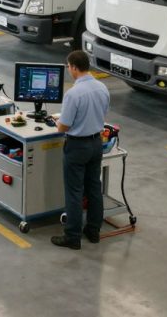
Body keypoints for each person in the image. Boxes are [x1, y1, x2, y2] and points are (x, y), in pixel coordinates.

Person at [52, 50, 110, 250]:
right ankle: (93, 231)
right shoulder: (102, 87)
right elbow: (102, 114)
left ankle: (73, 236)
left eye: (68, 67)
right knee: (94, 187)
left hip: (77, 146)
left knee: (74, 191)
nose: (68, 70)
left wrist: (57, 121)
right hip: (96, 143)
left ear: (74, 67)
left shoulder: (73, 94)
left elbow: (63, 127)